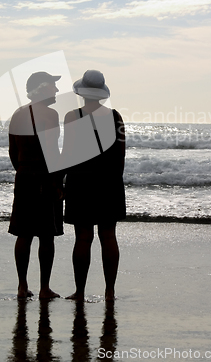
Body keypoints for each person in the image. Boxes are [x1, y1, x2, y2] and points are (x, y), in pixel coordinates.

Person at [62, 70, 126, 301]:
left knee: (83, 238)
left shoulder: (73, 116)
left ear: (82, 92)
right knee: (108, 237)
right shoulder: (115, 116)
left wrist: (62, 183)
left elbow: (68, 153)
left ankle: (80, 292)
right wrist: (114, 182)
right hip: (109, 182)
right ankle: (110, 292)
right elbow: (120, 156)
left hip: (81, 182)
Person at [8, 71, 64, 299]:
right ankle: (44, 288)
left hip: (23, 177)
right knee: (46, 235)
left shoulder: (18, 114)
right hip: (44, 178)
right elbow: (52, 151)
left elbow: (13, 151)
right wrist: (59, 181)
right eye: (53, 86)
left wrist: (23, 169)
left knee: (24, 234)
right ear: (41, 88)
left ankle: (22, 286)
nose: (57, 90)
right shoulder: (50, 115)